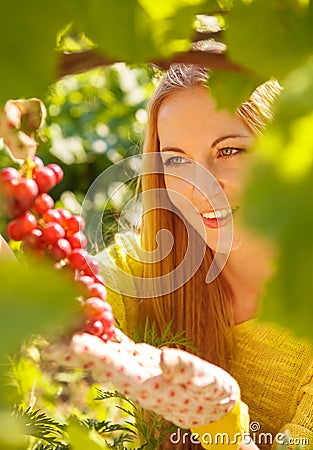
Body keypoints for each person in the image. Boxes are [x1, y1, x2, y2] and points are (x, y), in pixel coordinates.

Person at [1, 64, 312, 450]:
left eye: (230, 150)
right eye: (177, 160)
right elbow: (45, 322)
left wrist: (221, 425)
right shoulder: (149, 267)